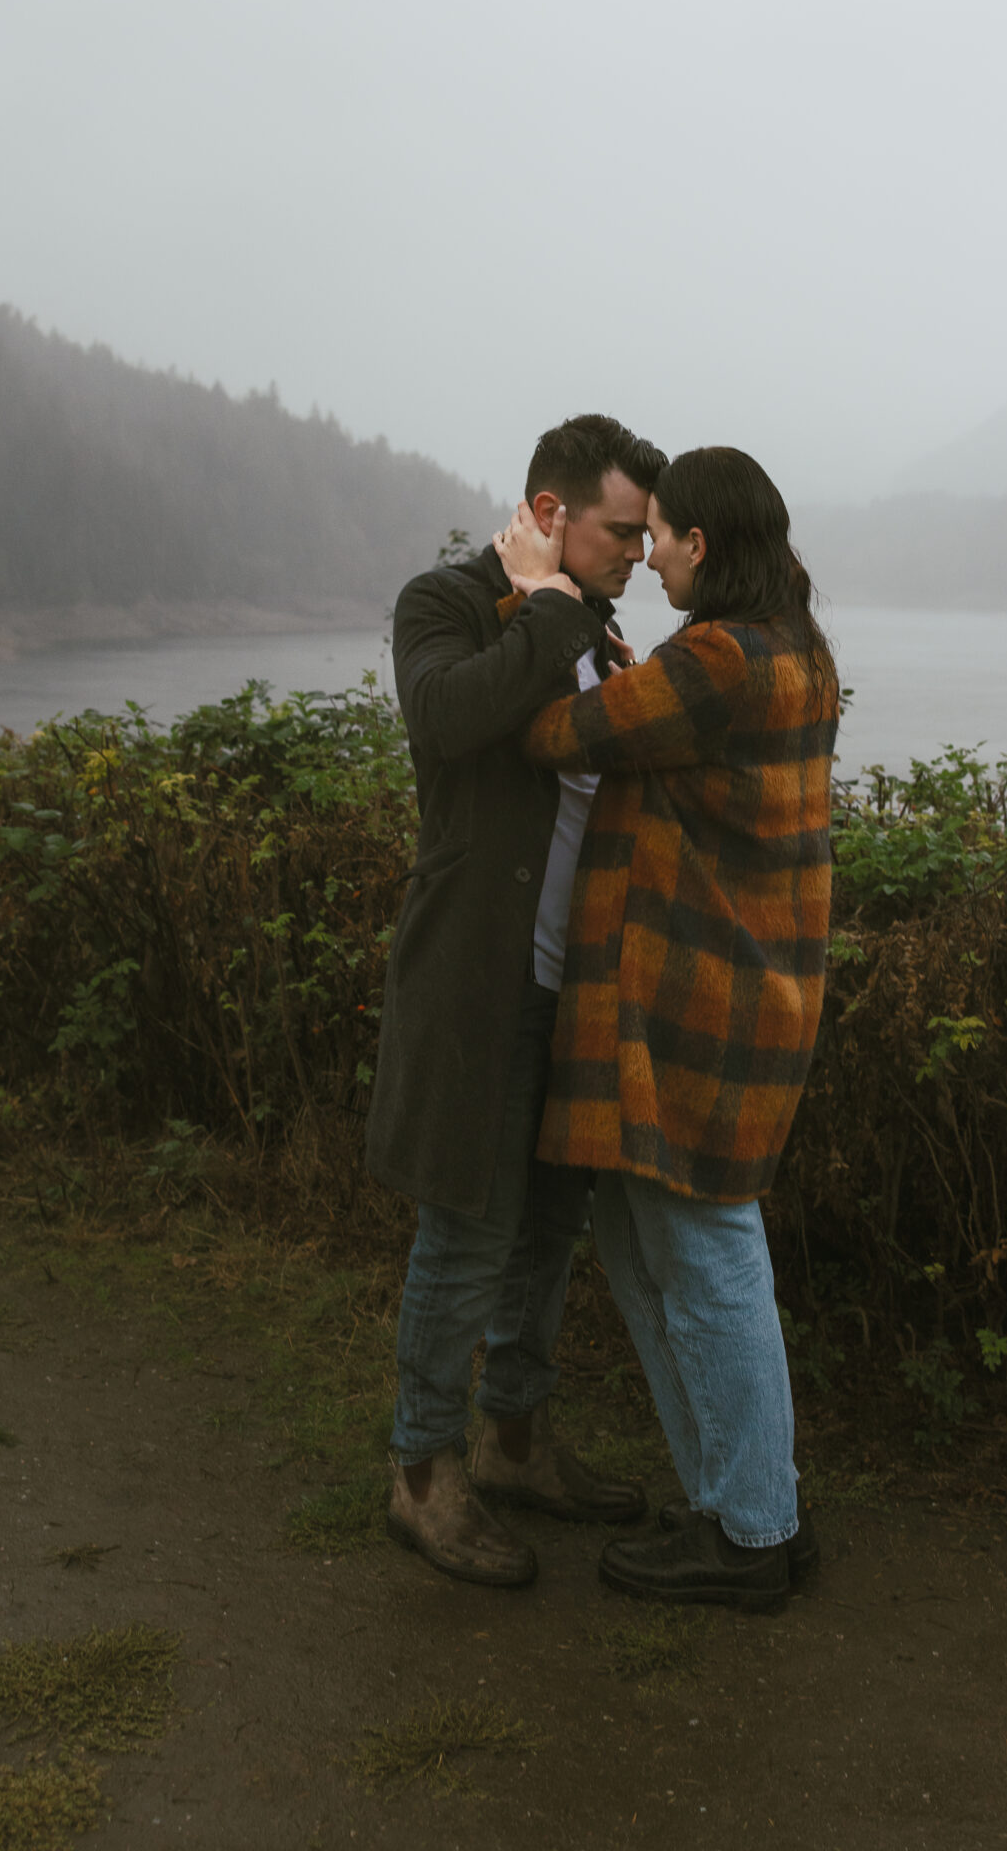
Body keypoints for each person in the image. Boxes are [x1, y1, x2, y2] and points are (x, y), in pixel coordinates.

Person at [508, 445, 839, 1612]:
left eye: (660, 538)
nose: (645, 558)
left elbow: (563, 735)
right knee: (670, 1250)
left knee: (703, 1258)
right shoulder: (793, 646)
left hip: (697, 1006)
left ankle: (750, 1532)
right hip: (751, 993)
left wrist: (548, 606)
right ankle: (743, 1504)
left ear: (702, 543)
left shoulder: (718, 659)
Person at [366, 413, 668, 1588]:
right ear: (551, 515)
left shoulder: (598, 634)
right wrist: (544, 608)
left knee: (546, 1232)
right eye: (621, 532)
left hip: (574, 993)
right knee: (467, 1230)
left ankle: (514, 1440)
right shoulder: (441, 602)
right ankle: (424, 1475)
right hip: (477, 982)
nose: (638, 555)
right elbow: (446, 722)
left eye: (647, 538)